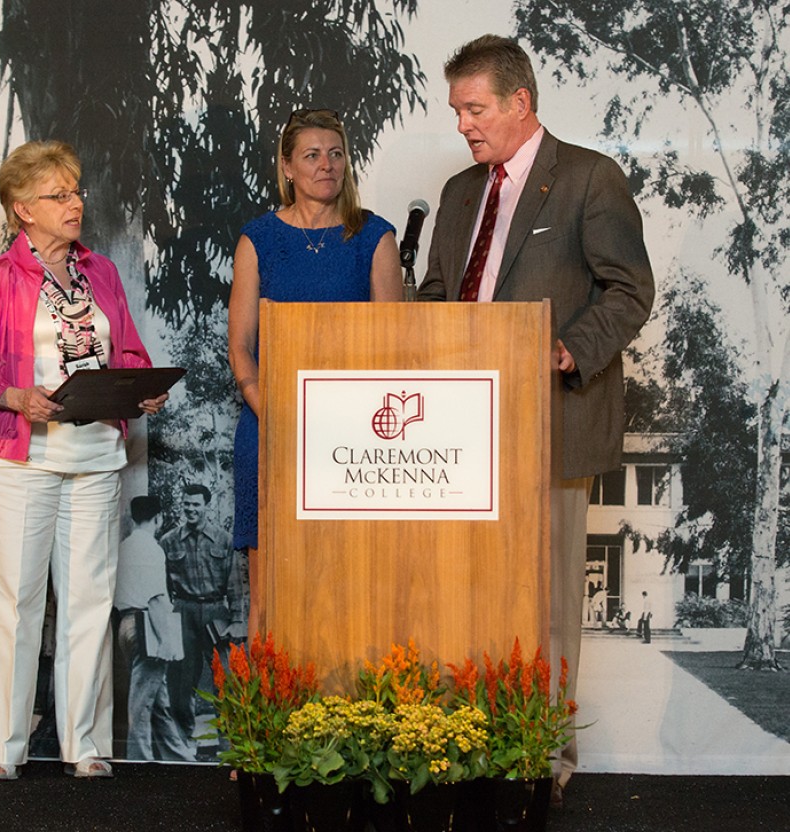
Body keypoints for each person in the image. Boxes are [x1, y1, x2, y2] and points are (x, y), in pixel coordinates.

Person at [417, 35, 655, 803]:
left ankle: (542, 762)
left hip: (552, 423)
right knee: (460, 594)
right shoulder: (459, 192)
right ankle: (464, 746)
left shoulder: (589, 178)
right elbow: (438, 293)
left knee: (546, 603)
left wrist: (565, 348)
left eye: (474, 109)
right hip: (456, 434)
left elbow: (629, 290)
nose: (462, 125)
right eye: (456, 111)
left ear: (520, 102)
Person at [0, 140, 166, 781]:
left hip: (97, 455)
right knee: (16, 602)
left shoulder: (102, 274)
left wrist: (141, 385)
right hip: (21, 458)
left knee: (90, 601)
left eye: (76, 192)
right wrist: (15, 396)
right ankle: (2, 752)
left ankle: (85, 747)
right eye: (58, 195)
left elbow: (127, 352)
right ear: (23, 208)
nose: (75, 204)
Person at [228, 108, 402, 628]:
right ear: (287, 167)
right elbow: (241, 347)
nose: (326, 165)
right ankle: (266, 683)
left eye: (335, 153)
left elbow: (393, 347)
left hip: (354, 438)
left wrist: (346, 422)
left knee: (350, 579)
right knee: (270, 592)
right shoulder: (257, 239)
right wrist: (272, 411)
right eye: (311, 155)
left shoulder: (375, 237)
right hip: (272, 429)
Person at [113, 495, 194, 761]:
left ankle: (180, 758)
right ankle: (140, 761)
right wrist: (167, 641)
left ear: (132, 518)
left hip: (125, 623)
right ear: (159, 518)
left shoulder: (124, 547)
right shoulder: (152, 549)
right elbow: (156, 598)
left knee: (158, 701)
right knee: (141, 704)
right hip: (147, 624)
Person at [160, 483, 237, 750]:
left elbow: (234, 584)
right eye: (186, 504)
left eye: (196, 504)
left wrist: (237, 620)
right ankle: (184, 744)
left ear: (207, 506)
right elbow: (163, 586)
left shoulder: (224, 540)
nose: (190, 509)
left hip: (216, 612)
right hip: (183, 612)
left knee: (224, 678)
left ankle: (228, 744)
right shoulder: (169, 541)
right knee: (181, 681)